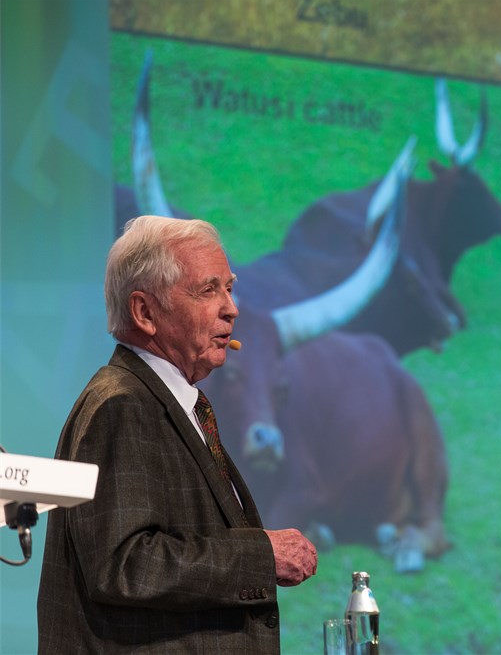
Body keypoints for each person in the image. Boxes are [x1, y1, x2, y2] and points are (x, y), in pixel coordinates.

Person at [37, 215, 318, 653]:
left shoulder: (173, 402)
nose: (232, 307)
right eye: (208, 290)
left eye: (229, 286)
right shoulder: (122, 405)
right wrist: (260, 556)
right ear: (145, 312)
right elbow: (125, 565)